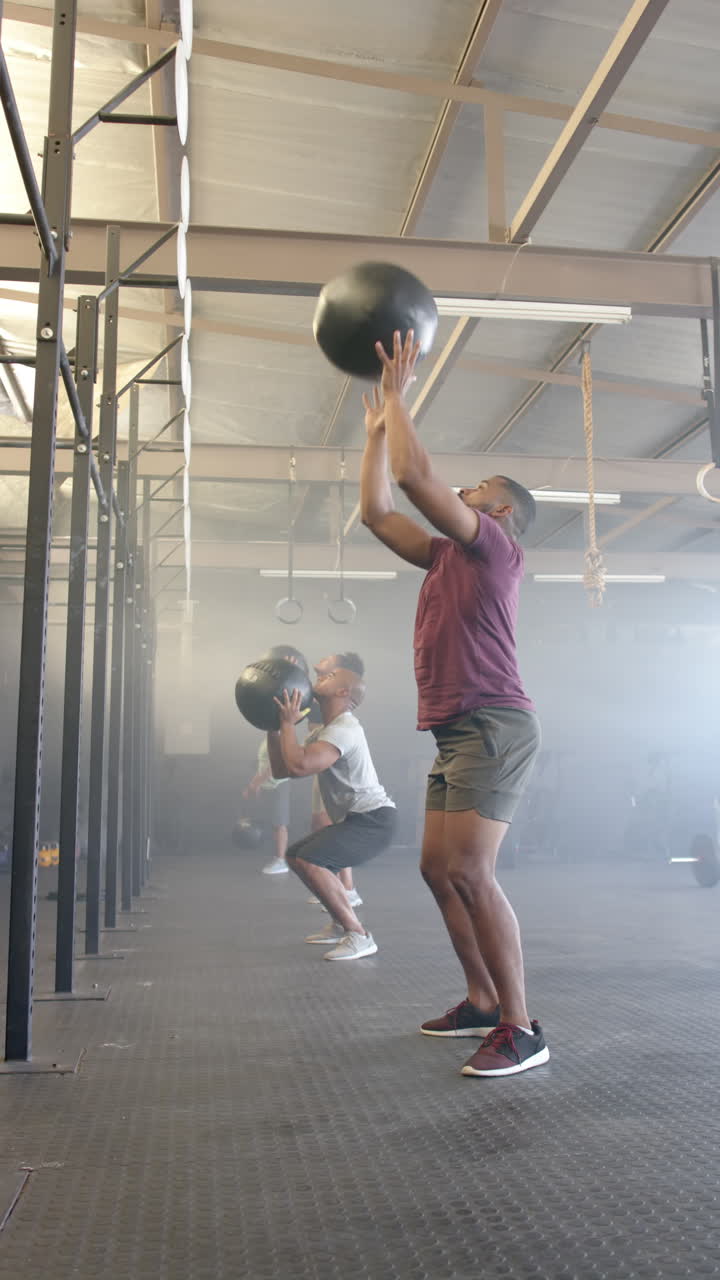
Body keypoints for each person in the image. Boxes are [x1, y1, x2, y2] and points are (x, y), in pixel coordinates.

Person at [359, 329, 548, 1077]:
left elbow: (416, 479)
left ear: (497, 511)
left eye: (474, 489)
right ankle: (479, 999)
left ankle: (521, 1026)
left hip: (494, 725)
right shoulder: (445, 556)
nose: (463, 492)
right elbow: (378, 511)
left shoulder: (497, 548)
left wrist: (398, 399)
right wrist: (377, 434)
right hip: (454, 731)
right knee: (438, 871)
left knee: (472, 872)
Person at [266, 659, 396, 961]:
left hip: (374, 820)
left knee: (311, 859)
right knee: (296, 855)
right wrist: (274, 730)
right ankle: (340, 925)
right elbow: (283, 769)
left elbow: (299, 766)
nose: (321, 676)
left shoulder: (345, 729)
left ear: (343, 692)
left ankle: (359, 935)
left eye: (331, 675)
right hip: (357, 820)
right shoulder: (325, 731)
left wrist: (287, 725)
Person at [242, 644, 309, 875]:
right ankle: (278, 857)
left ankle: (281, 860)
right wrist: (256, 783)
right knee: (274, 822)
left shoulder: (283, 732)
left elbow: (274, 765)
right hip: (270, 783)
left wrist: (256, 782)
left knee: (279, 823)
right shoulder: (273, 732)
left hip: (278, 783)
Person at [306, 653, 365, 911]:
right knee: (320, 825)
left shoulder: (335, 697)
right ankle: (338, 887)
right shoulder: (319, 690)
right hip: (320, 760)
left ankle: (347, 889)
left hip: (331, 761)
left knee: (330, 826)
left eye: (328, 662)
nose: (320, 661)